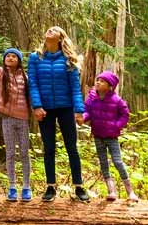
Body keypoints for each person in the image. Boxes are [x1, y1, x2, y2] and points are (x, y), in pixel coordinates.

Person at [28, 26, 88, 202]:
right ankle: (50, 187)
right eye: (48, 29)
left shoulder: (68, 59)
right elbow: (33, 84)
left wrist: (79, 111)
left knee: (72, 148)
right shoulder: (35, 58)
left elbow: (75, 88)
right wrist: (37, 106)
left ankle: (78, 187)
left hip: (66, 107)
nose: (50, 30)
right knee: (49, 148)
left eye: (55, 30)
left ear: (61, 37)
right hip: (45, 109)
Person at [0, 32, 32, 202]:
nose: (10, 58)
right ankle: (12, 186)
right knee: (10, 153)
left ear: (19, 60)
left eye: (14, 56)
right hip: (7, 120)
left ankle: (26, 187)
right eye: (8, 56)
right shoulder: (0, 74)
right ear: (4, 60)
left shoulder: (26, 77)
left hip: (23, 120)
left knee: (25, 153)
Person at [83, 71, 139, 202]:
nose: (98, 82)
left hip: (112, 136)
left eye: (102, 81)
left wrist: (116, 126)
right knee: (103, 163)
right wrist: (82, 118)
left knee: (118, 161)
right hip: (98, 135)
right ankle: (111, 191)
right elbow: (87, 112)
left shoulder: (117, 100)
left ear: (110, 86)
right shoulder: (92, 99)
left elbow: (125, 115)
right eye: (98, 80)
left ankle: (130, 191)